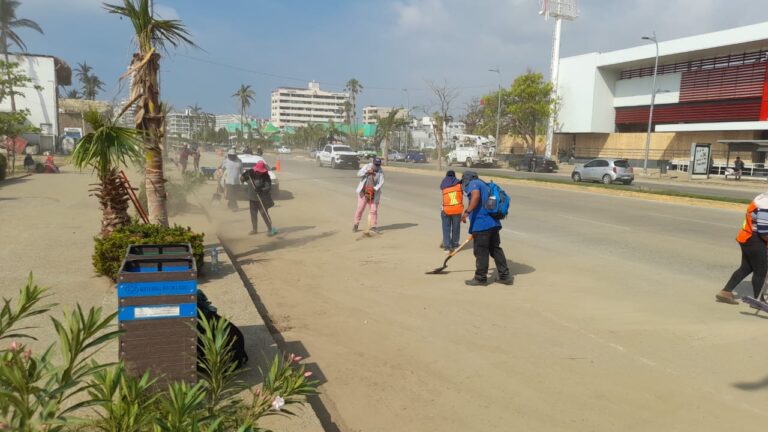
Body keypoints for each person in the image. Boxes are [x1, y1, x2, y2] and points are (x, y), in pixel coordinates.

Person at [461, 171, 512, 286]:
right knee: (495, 250)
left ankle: (480, 278)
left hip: (482, 224)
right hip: (493, 224)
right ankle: (505, 276)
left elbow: (476, 196)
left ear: (466, 179)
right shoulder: (485, 185)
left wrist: (467, 212)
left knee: (481, 252)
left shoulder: (474, 183)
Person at [716, 193, 768, 304]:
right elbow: (763, 230)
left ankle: (725, 292)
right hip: (755, 239)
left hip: (747, 237)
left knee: (746, 268)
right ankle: (759, 300)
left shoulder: (762, 197)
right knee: (761, 271)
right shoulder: (765, 204)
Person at [241, 160, 278, 236]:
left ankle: (270, 228)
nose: (260, 172)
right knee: (253, 214)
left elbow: (268, 187)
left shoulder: (266, 175)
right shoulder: (251, 173)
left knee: (264, 213)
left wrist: (260, 189)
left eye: (261, 171)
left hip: (262, 198)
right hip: (252, 197)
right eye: (259, 171)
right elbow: (242, 179)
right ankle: (254, 229)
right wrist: (244, 175)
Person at [353, 157, 384, 232]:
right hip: (363, 193)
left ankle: (373, 226)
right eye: (375, 164)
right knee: (360, 209)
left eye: (378, 165)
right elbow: (358, 174)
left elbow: (381, 182)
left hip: (374, 194)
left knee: (373, 210)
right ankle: (356, 225)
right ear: (372, 163)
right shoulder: (367, 166)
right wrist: (367, 172)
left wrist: (374, 189)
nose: (377, 166)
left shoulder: (380, 171)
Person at [440, 170, 463, 252]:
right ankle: (455, 244)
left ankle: (447, 246)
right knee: (456, 227)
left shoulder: (443, 184)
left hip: (446, 210)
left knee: (446, 227)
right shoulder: (459, 185)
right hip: (457, 210)